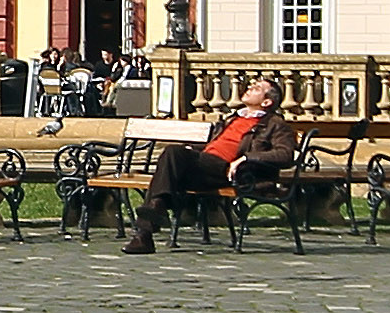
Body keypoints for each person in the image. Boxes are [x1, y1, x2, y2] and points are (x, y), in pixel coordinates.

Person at [122, 78, 302, 253]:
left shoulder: (274, 124)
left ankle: (146, 230)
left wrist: (246, 158)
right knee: (170, 164)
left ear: (267, 102)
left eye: (257, 88)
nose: (249, 87)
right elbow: (213, 145)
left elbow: (285, 155)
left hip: (230, 172)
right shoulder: (234, 118)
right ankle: (149, 222)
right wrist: (190, 149)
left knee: (172, 154)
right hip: (205, 166)